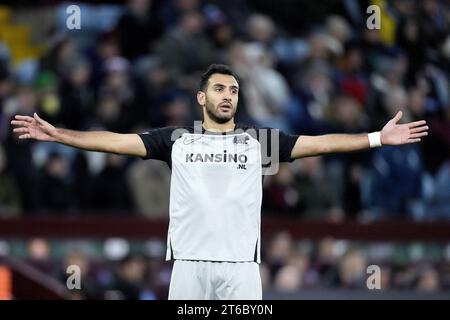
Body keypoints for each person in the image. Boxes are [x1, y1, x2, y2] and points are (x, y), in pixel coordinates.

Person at [11, 64, 428, 300]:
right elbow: (116, 142)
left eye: (233, 89)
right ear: (201, 98)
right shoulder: (176, 140)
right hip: (189, 267)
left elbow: (318, 144)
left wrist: (375, 137)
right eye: (219, 89)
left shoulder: (258, 141)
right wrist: (60, 135)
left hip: (242, 271)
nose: (228, 95)